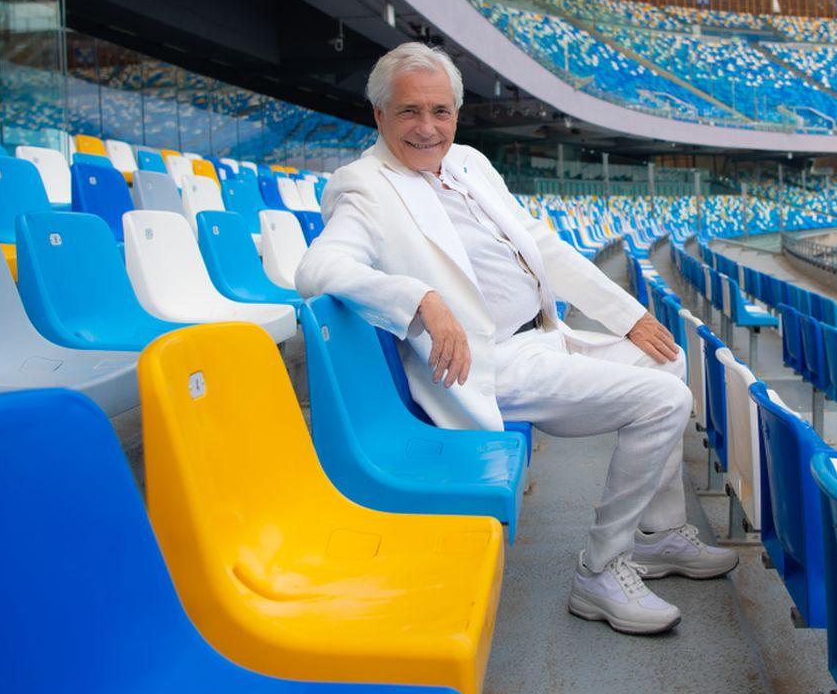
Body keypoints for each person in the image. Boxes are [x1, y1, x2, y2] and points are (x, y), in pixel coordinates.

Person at [295, 42, 736, 636]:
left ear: (455, 112)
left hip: (543, 337)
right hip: (491, 363)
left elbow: (541, 243)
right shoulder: (363, 187)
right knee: (665, 400)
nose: (428, 128)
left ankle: (657, 538)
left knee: (664, 357)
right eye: (409, 112)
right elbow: (317, 270)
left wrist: (625, 315)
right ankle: (600, 571)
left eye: (441, 111)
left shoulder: (471, 163)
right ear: (378, 115)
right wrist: (419, 300)